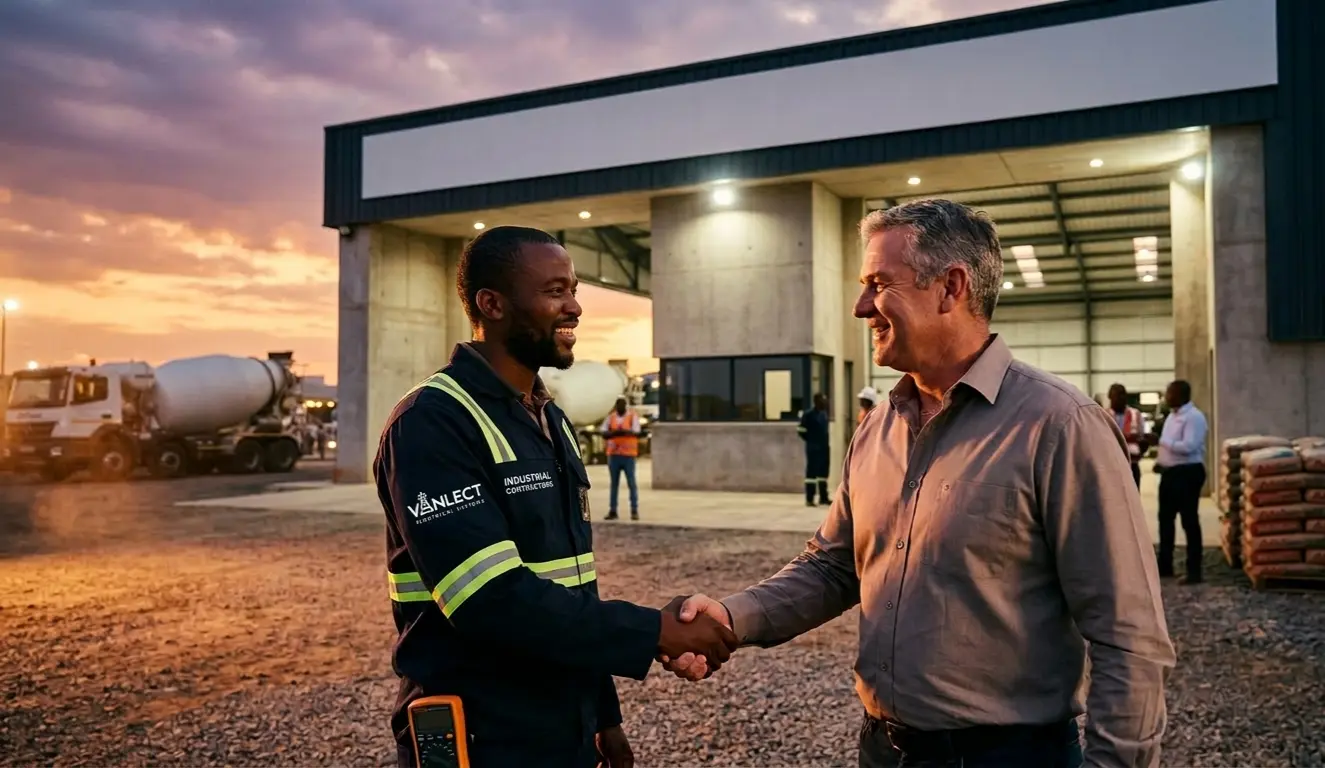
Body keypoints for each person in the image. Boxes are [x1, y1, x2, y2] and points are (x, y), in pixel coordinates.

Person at [660, 200, 1175, 768]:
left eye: (879, 284)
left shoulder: (1060, 425)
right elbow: (834, 566)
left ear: (950, 287)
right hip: (884, 750)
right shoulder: (877, 427)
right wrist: (732, 617)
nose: (861, 307)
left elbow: (1128, 633)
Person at [374, 225, 739, 768]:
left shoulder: (549, 418)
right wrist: (654, 631)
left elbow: (573, 584)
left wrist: (603, 715)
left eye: (574, 290)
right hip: (484, 733)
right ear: (492, 304)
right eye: (554, 291)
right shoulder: (432, 422)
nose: (574, 307)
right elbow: (488, 599)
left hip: (563, 725)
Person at [1152, 379, 1209, 584]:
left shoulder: (1194, 417)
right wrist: (1161, 462)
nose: (1166, 397)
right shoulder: (1171, 416)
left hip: (1188, 473)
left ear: (1181, 395)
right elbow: (1170, 447)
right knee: (1165, 520)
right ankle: (1165, 565)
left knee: (1189, 521)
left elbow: (1189, 446)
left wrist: (1160, 440)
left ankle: (1194, 571)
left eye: (1170, 393)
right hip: (1170, 473)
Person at [600, 396, 641, 521]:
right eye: (618, 405)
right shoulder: (611, 417)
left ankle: (634, 510)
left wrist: (619, 433)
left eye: (622, 405)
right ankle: (613, 510)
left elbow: (636, 431)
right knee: (614, 484)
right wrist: (615, 433)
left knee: (631, 483)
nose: (620, 408)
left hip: (628, 456)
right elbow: (603, 431)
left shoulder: (632, 416)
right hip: (614, 455)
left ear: (625, 406)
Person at [1108, 383, 1147, 488]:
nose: (1120, 398)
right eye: (1117, 395)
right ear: (1110, 397)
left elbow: (1142, 437)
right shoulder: (1103, 415)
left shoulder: (1136, 414)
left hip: (1132, 465)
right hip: (1110, 466)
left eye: (1122, 395)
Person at [797, 393, 832, 506]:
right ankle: (810, 498)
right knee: (811, 474)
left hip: (824, 448)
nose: (825, 402)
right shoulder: (808, 415)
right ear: (816, 401)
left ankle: (823, 497)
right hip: (813, 448)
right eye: (823, 400)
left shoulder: (824, 414)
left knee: (823, 474)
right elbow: (801, 431)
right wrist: (811, 440)